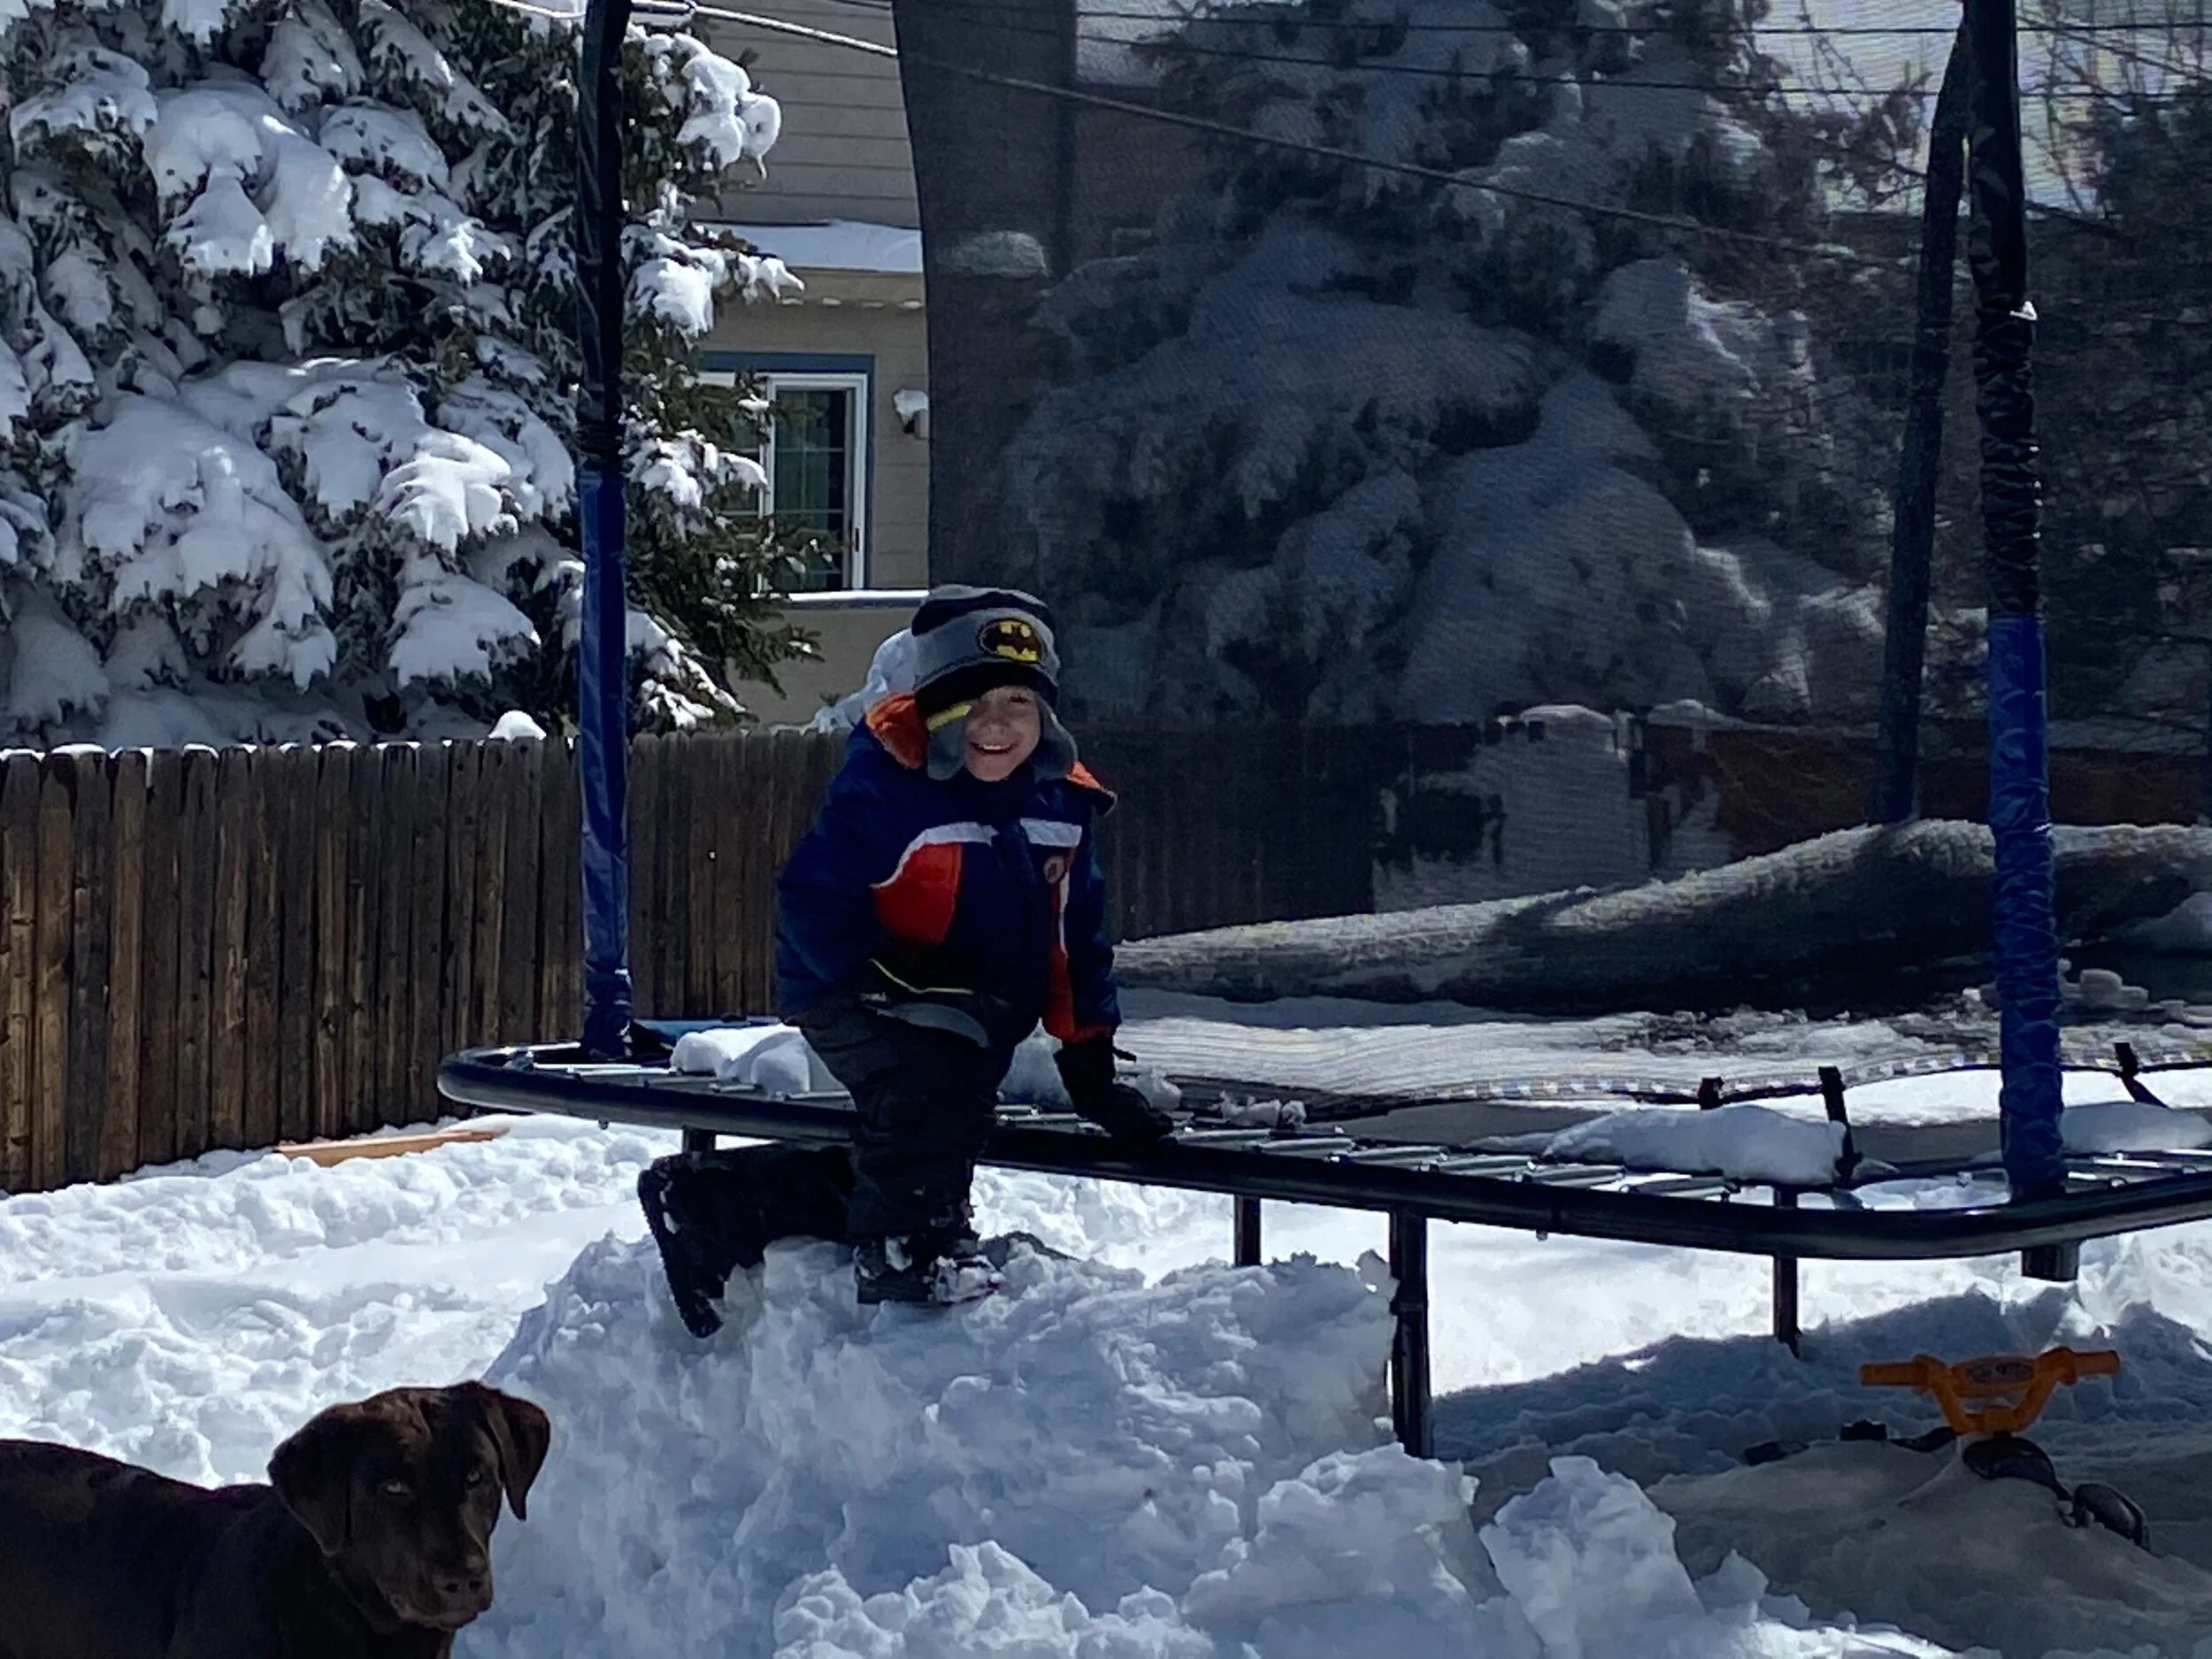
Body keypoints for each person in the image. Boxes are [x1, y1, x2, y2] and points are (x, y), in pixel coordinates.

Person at [773, 585, 1174, 1306]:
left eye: (1018, 704)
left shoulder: (1060, 805)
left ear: (1045, 715)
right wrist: (879, 974)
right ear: (936, 710)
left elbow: (1074, 937)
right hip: (847, 988)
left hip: (967, 1001)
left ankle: (730, 1205)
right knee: (931, 1084)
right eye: (973, 704)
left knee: (931, 1108)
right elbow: (809, 896)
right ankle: (907, 1250)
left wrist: (1089, 1061)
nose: (996, 725)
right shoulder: (891, 789)